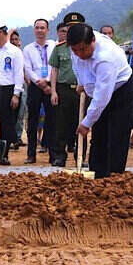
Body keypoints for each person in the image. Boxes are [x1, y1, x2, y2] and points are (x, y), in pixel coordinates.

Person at [67, 23, 133, 178]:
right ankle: (97, 174)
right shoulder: (75, 49)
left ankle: (114, 179)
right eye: (75, 50)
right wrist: (81, 82)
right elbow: (77, 66)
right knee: (99, 135)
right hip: (97, 89)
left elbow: (102, 96)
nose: (79, 54)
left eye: (82, 49)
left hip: (122, 89)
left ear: (93, 41)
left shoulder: (105, 58)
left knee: (116, 135)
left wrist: (86, 122)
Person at [0, 21, 24, 165]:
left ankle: (4, 155)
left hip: (8, 89)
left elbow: (18, 74)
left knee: (7, 124)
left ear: (1, 32)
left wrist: (16, 94)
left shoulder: (15, 51)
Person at [49, 13, 84, 167]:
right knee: (61, 124)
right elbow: (54, 70)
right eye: (69, 27)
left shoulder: (86, 46)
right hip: (64, 89)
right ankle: (59, 156)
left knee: (82, 122)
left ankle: (80, 156)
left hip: (82, 90)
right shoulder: (60, 48)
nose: (72, 29)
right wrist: (53, 91)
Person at [22, 19, 56, 164]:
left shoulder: (54, 46)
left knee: (52, 120)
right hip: (35, 87)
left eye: (43, 28)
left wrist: (48, 81)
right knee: (33, 120)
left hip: (51, 85)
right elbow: (28, 69)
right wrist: (40, 83)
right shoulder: (28, 49)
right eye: (37, 28)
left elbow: (55, 66)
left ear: (47, 30)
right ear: (34, 30)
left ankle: (53, 154)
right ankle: (31, 154)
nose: (40, 30)